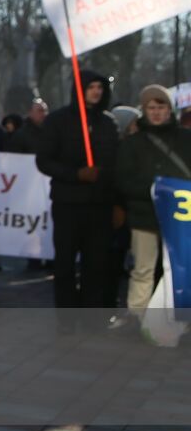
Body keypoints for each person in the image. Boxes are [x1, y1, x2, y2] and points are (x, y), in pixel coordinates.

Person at [36, 71, 120, 316]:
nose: (96, 91)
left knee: (96, 265)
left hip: (100, 205)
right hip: (68, 204)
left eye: (100, 87)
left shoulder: (108, 123)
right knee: (65, 264)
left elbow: (116, 166)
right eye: (91, 86)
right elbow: (44, 161)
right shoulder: (57, 121)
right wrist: (76, 175)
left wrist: (117, 203)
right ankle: (67, 318)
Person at [115, 84, 191, 314]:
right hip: (144, 216)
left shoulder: (186, 139)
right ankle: (138, 315)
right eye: (151, 107)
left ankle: (178, 316)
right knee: (143, 269)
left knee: (180, 269)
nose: (156, 112)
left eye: (161, 106)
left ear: (169, 109)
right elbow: (123, 180)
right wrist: (154, 190)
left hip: (180, 217)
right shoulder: (132, 143)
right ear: (145, 110)